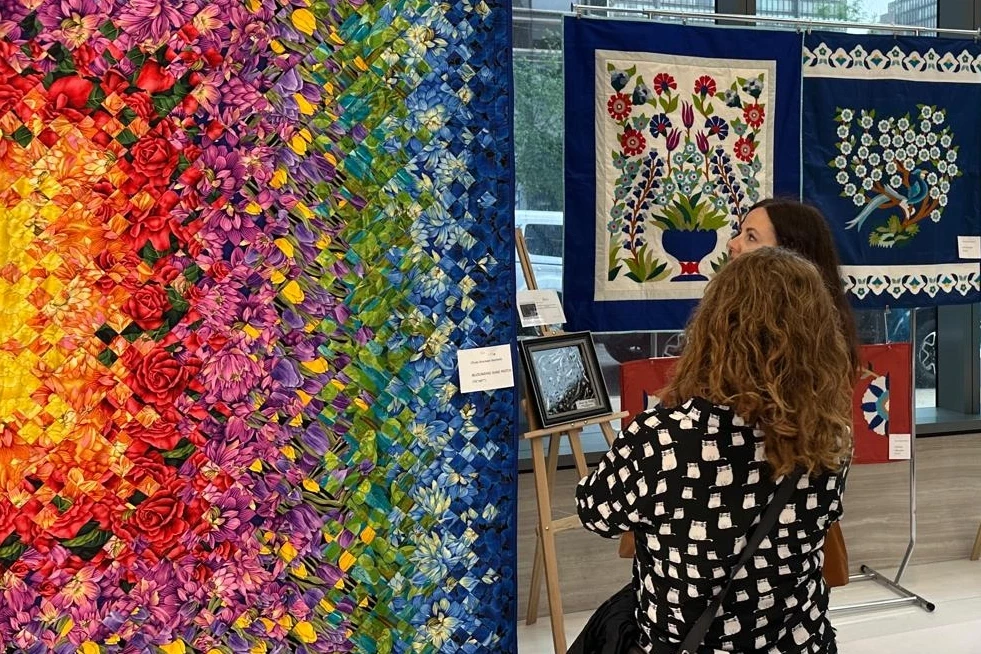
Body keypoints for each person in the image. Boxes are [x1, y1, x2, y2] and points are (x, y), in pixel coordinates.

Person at [575, 247, 854, 653]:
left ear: (712, 330)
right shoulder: (830, 436)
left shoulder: (660, 438)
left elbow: (595, 514)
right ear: (818, 338)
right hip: (798, 642)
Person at [727, 198, 860, 370]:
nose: (732, 243)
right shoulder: (726, 318)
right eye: (740, 232)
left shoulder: (813, 344)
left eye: (751, 237)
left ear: (789, 257)